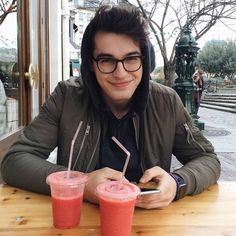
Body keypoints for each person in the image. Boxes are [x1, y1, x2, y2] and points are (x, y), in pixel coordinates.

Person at [1, 5, 220, 209]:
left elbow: (208, 159)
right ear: (91, 65)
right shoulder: (66, 97)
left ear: (144, 61)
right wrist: (81, 184)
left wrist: (177, 182)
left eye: (131, 58)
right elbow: (15, 161)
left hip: (150, 220)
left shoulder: (167, 102)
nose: (120, 72)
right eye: (106, 60)